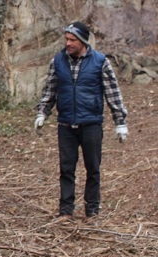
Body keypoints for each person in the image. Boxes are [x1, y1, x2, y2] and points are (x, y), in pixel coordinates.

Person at [34, 21, 129, 221]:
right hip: (66, 124)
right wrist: (42, 112)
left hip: (91, 123)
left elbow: (113, 93)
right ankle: (66, 210)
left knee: (93, 168)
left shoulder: (100, 61)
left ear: (83, 41)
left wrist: (120, 121)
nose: (68, 43)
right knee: (66, 169)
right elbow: (50, 90)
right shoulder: (58, 61)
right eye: (66, 39)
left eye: (72, 40)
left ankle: (92, 210)